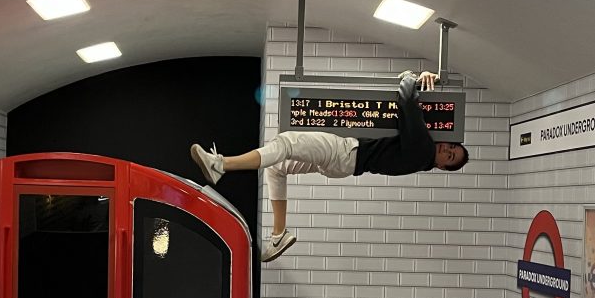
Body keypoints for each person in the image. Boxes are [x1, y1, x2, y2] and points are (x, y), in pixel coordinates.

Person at [191, 71, 469, 261]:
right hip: (345, 165)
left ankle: (221, 165)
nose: (447, 149)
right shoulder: (418, 156)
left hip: (345, 153)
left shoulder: (422, 150)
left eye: (451, 156)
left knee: (286, 143)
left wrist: (412, 77)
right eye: (452, 147)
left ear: (442, 168)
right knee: (279, 166)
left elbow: (407, 100)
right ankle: (278, 235)